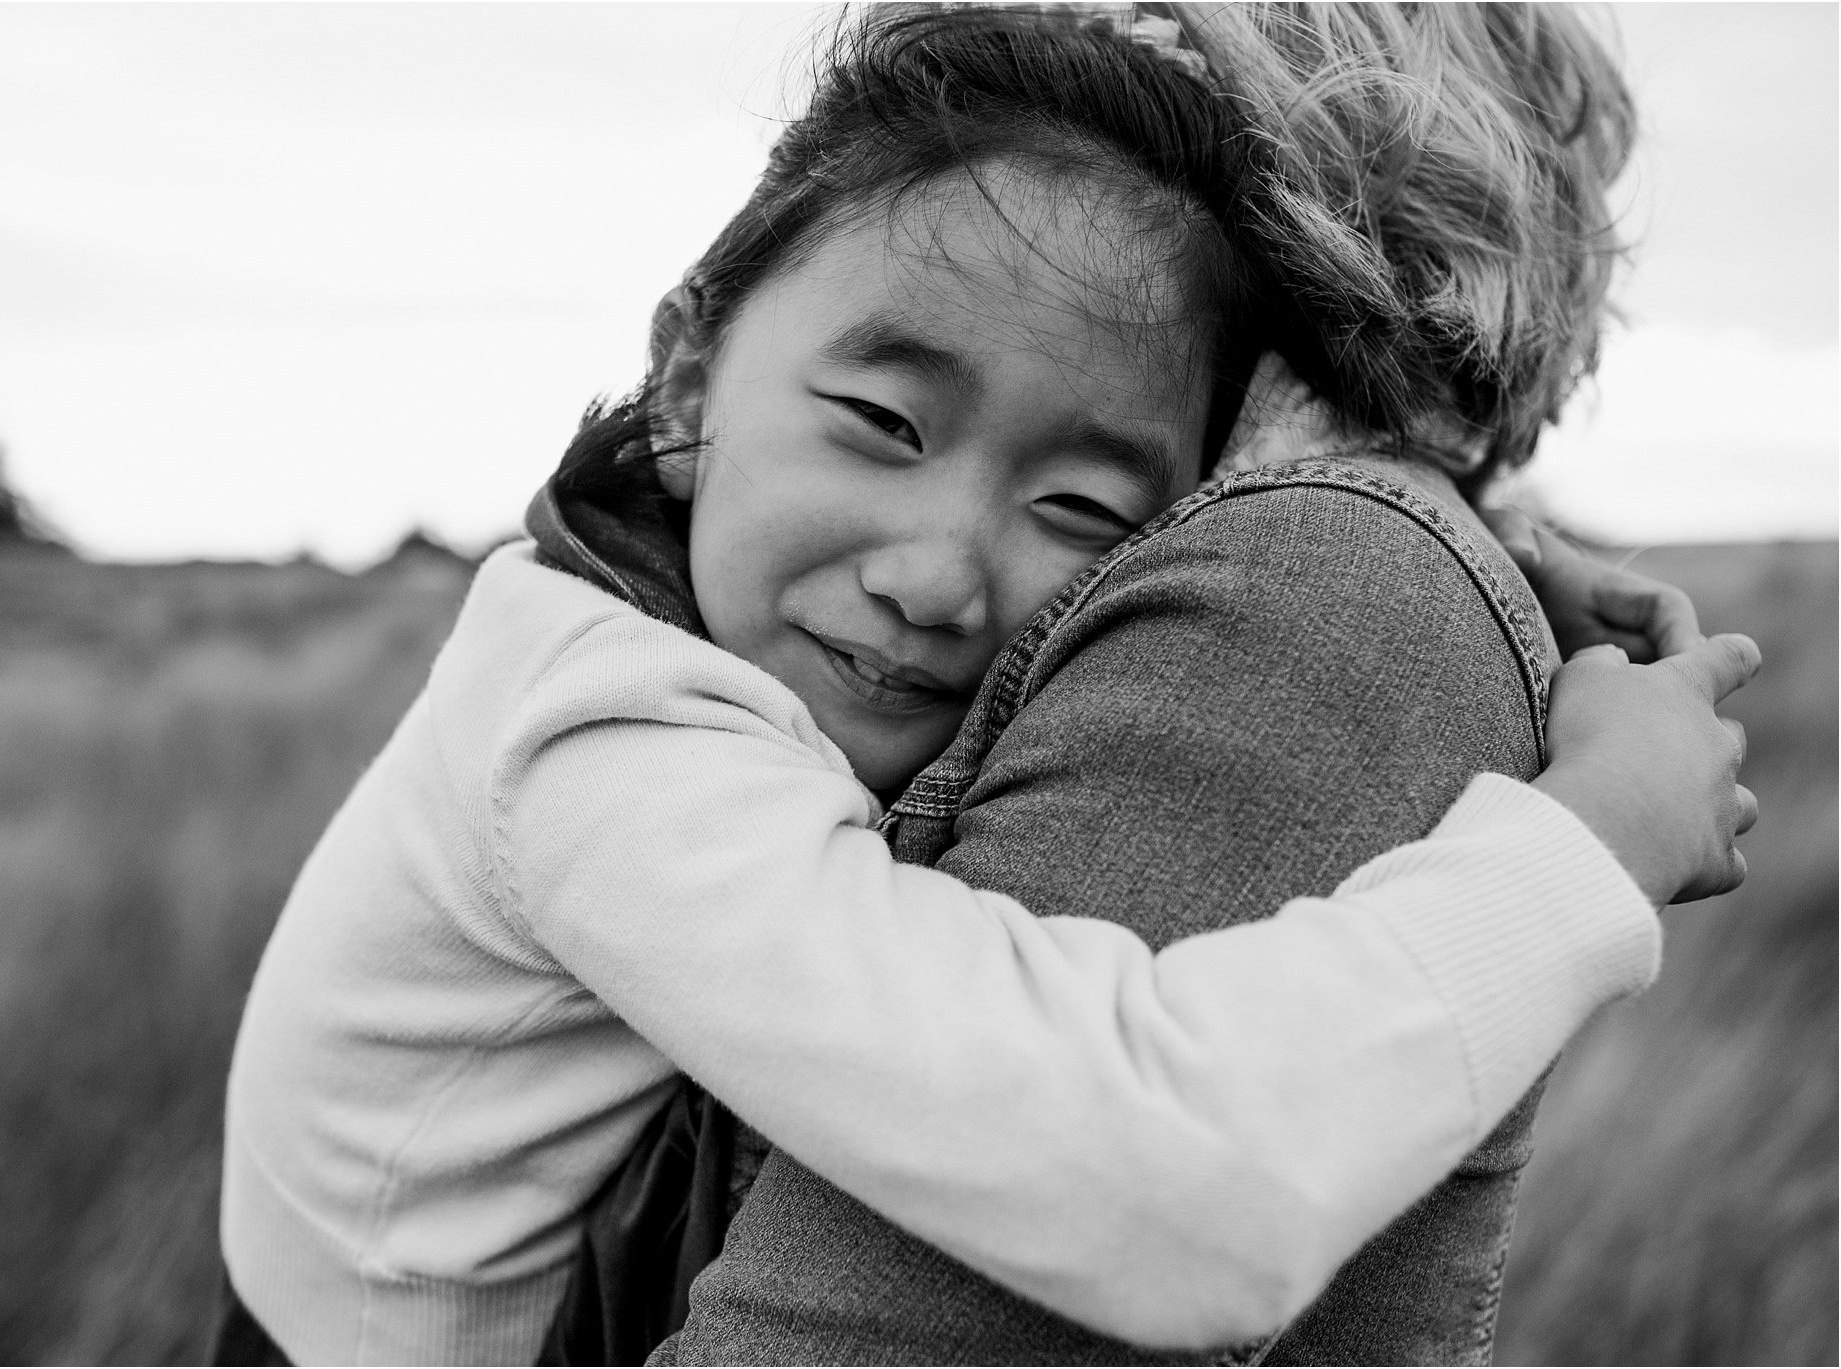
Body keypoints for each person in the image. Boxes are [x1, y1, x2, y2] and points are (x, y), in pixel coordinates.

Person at [216, 4, 1756, 1365]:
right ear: (688, 372)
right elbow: (1180, 1189)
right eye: (885, 421)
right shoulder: (598, 748)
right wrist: (1596, 841)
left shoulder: (649, 616)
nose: (940, 575)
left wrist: (1481, 537)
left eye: (1087, 511)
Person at [643, 4, 1720, 1364]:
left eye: (1116, 46)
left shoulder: (1319, 591)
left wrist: (1601, 834)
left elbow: (1128, 1203)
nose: (1036, 59)